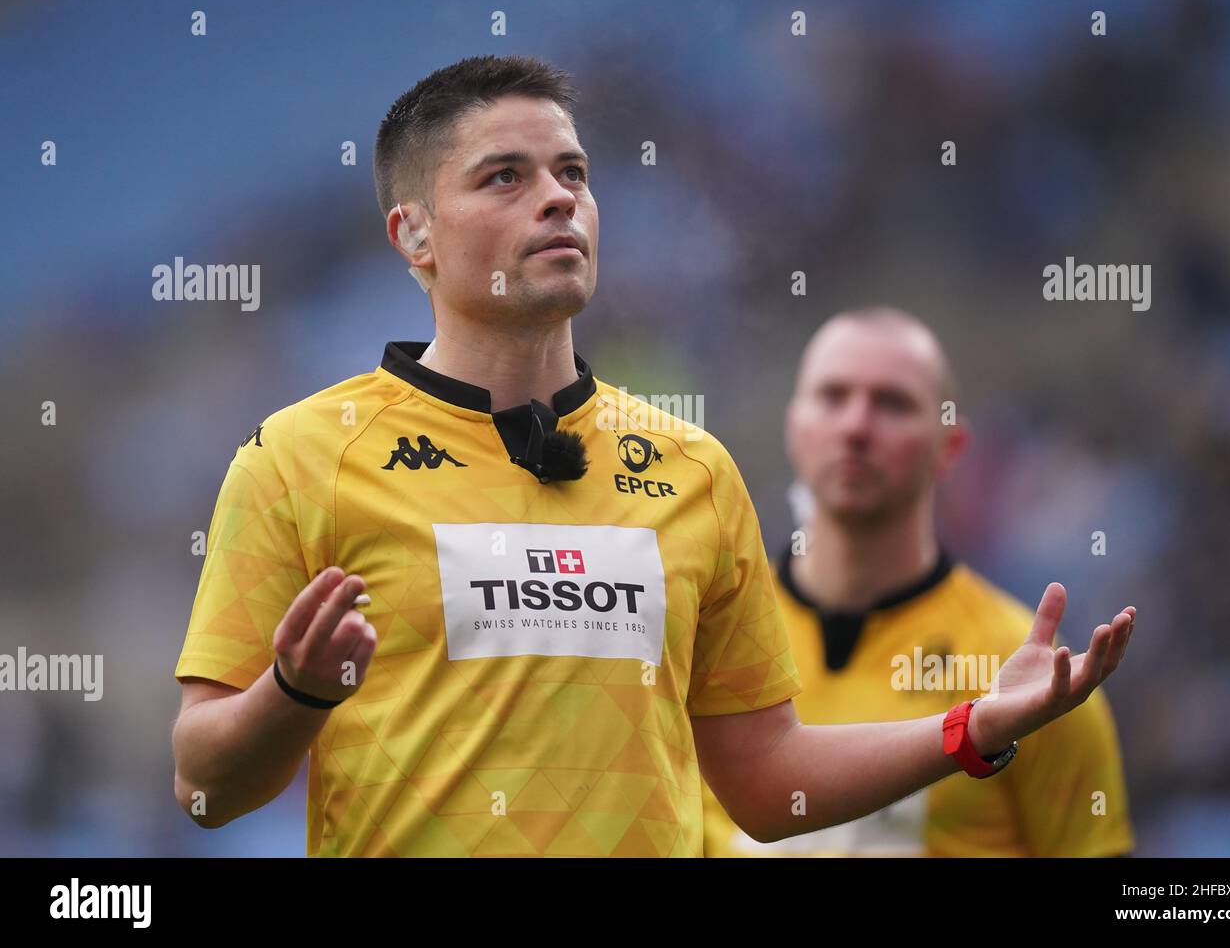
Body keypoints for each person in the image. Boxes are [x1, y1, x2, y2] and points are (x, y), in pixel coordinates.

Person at [170, 55, 1136, 857]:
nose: (557, 200)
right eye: (505, 176)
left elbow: (765, 785)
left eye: (573, 174)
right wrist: (295, 692)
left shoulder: (694, 469)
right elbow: (204, 789)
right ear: (412, 233)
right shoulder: (299, 457)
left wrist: (972, 732)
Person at [702, 308, 1135, 856]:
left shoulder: (1030, 676)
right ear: (794, 427)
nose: (856, 426)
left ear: (950, 447)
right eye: (833, 397)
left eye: (892, 404)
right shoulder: (704, 636)